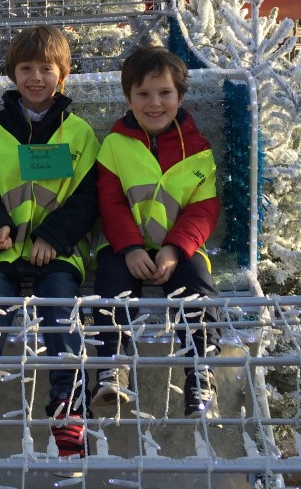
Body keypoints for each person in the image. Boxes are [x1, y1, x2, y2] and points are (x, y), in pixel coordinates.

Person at [0, 25, 99, 459]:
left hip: (58, 252)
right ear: (13, 74)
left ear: (63, 74)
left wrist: (54, 237)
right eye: (26, 68)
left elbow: (88, 197)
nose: (36, 77)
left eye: (46, 68)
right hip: (1, 249)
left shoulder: (79, 134)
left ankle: (69, 406)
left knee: (59, 310)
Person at [91, 47, 221, 418]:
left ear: (180, 97)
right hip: (122, 246)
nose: (154, 103)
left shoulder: (198, 148)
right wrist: (130, 247)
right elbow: (111, 203)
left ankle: (200, 375)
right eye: (143, 94)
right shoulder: (115, 145)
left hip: (179, 248)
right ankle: (113, 369)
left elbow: (203, 208)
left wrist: (175, 249)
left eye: (164, 93)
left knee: (197, 287)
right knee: (112, 288)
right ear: (128, 98)